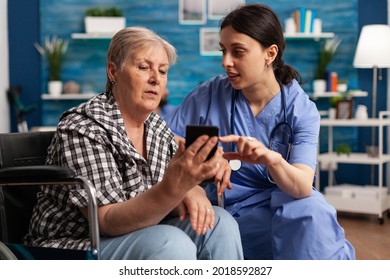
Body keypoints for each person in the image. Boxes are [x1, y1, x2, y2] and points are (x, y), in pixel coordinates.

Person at [23, 26, 243, 260]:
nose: (155, 79)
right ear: (113, 71)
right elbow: (106, 221)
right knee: (172, 243)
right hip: (73, 245)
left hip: (140, 232)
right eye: (143, 67)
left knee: (219, 223)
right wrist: (178, 189)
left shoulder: (157, 127)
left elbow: (179, 185)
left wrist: (195, 184)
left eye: (162, 70)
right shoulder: (83, 127)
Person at [164, 4, 355, 260]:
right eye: (223, 51)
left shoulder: (301, 110)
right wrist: (194, 181)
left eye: (238, 52)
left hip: (286, 205)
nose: (226, 62)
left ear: (270, 53)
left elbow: (301, 186)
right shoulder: (209, 95)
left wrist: (272, 159)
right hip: (230, 208)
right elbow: (162, 141)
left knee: (313, 210)